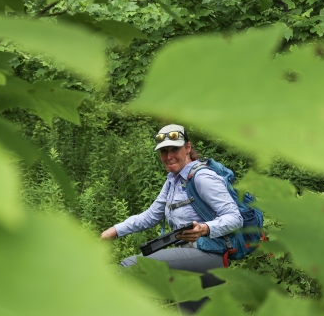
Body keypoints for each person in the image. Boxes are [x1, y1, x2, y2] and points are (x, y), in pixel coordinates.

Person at [100, 124, 243, 313]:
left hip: (210, 256)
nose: (169, 156)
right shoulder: (173, 181)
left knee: (129, 268)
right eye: (164, 151)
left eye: (174, 149)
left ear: (188, 148)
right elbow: (150, 216)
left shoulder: (202, 178)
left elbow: (235, 218)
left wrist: (205, 228)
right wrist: (114, 231)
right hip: (189, 255)